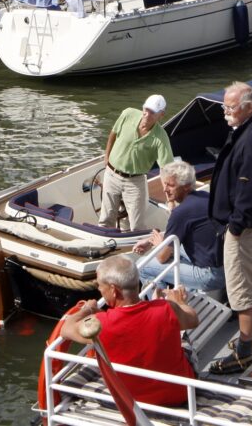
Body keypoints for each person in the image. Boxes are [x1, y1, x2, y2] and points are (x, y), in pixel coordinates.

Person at [60, 255, 199, 407]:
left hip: (133, 402)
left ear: (113, 290)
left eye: (100, 285)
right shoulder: (166, 308)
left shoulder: (101, 324)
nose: (99, 289)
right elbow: (193, 319)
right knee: (183, 339)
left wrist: (87, 309)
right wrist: (179, 302)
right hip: (180, 394)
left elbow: (66, 329)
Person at [207, 82, 252, 374]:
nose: (226, 112)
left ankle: (244, 351)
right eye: (225, 106)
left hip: (242, 227)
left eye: (231, 107)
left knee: (241, 289)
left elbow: (249, 189)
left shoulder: (251, 139)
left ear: (249, 107)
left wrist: (234, 227)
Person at [133, 161, 225, 292]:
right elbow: (177, 233)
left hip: (210, 276)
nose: (165, 189)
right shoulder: (206, 196)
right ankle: (186, 289)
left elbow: (161, 257)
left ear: (186, 186)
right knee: (176, 248)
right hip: (226, 267)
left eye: (170, 185)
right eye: (165, 184)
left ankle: (166, 306)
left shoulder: (181, 212)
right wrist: (150, 241)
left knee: (142, 265)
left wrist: (159, 245)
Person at [99, 94, 174, 231]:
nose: (146, 114)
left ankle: (136, 249)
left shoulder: (161, 138)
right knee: (105, 219)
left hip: (135, 182)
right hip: (111, 174)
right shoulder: (128, 114)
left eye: (152, 112)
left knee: (137, 225)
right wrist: (106, 157)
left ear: (161, 115)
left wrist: (170, 200)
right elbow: (113, 133)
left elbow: (166, 170)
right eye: (146, 109)